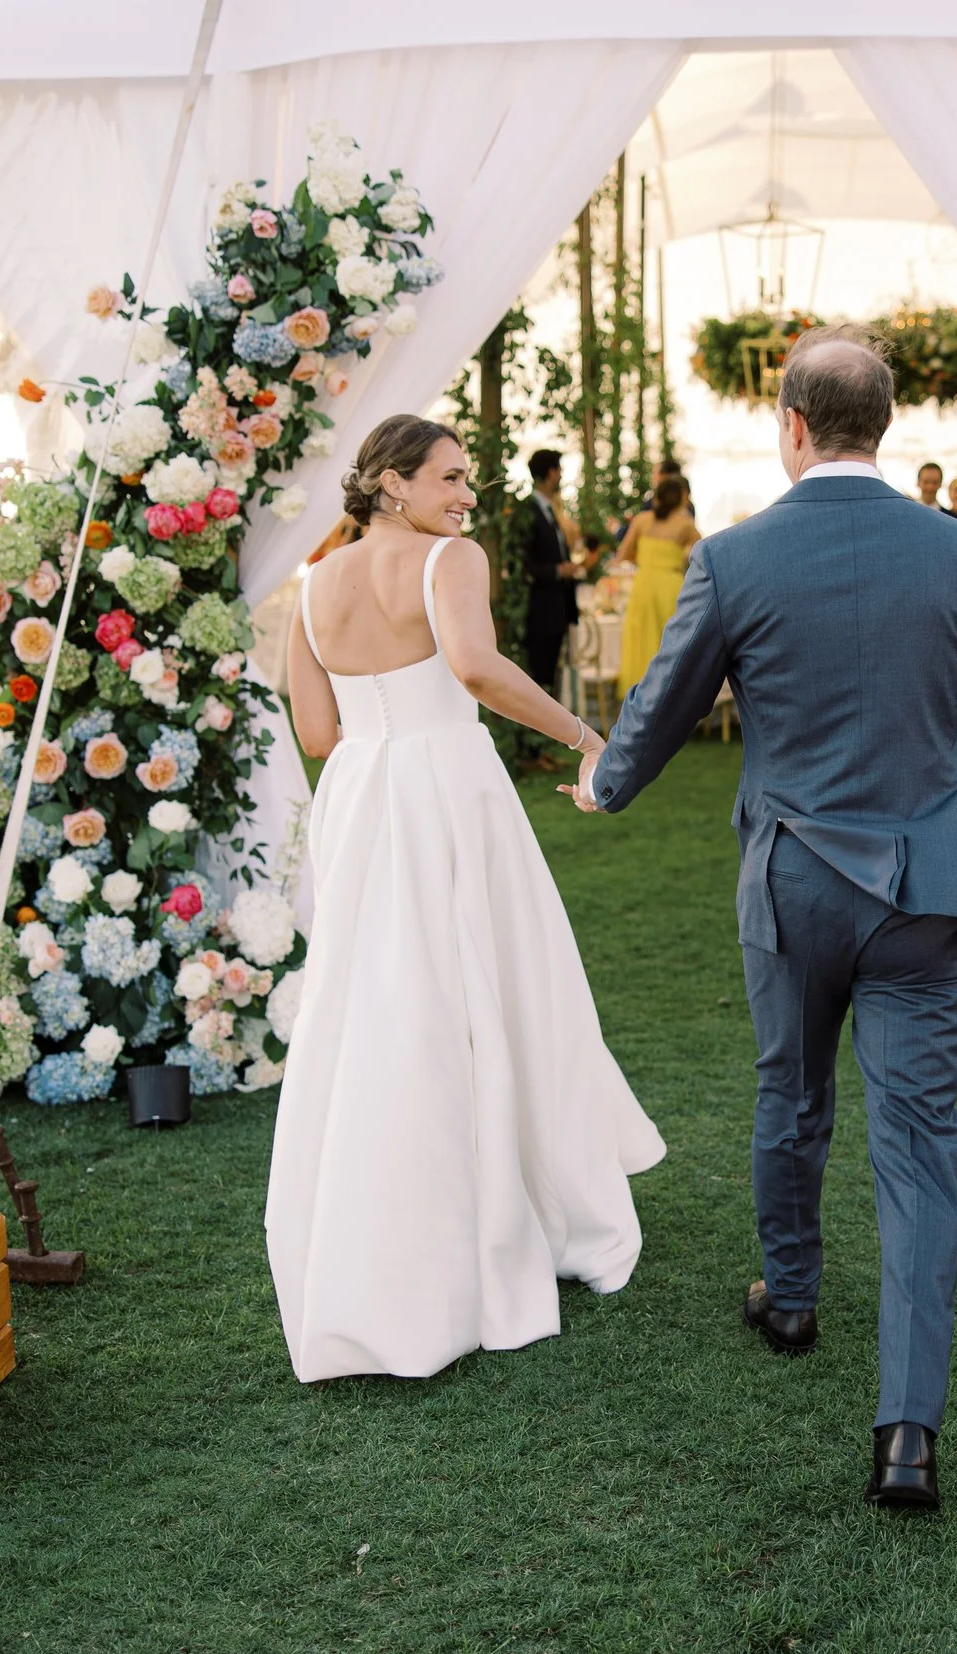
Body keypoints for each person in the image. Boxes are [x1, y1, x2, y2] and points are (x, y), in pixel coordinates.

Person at [572, 324, 957, 1511]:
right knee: (920, 1143)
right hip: (931, 887)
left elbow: (661, 706)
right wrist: (942, 795)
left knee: (791, 1089)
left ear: (789, 426)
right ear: (882, 426)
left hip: (793, 882)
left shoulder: (738, 555)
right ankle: (907, 1432)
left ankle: (789, 1296)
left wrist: (604, 781)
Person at [269, 415, 666, 1384]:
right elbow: (476, 667)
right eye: (449, 477)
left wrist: (378, 724)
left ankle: (389, 1232)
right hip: (448, 791)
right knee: (499, 988)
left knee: (381, 1008)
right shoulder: (450, 559)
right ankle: (514, 1204)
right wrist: (586, 737)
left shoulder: (311, 586)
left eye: (469, 482)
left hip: (360, 802)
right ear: (393, 482)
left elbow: (316, 733)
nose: (465, 496)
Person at [616, 475, 701, 694]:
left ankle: (640, 695)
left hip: (644, 584)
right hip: (671, 587)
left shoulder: (641, 520)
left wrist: (646, 561)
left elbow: (622, 554)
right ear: (682, 498)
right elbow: (702, 555)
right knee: (669, 644)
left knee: (642, 641)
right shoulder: (686, 524)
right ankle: (669, 695)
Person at [513, 449, 586, 699]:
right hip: (541, 611)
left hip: (557, 609)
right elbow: (522, 564)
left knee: (551, 674)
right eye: (559, 471)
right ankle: (537, 734)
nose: (561, 476)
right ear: (551, 473)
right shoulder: (527, 512)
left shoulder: (550, 511)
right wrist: (558, 570)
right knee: (539, 675)